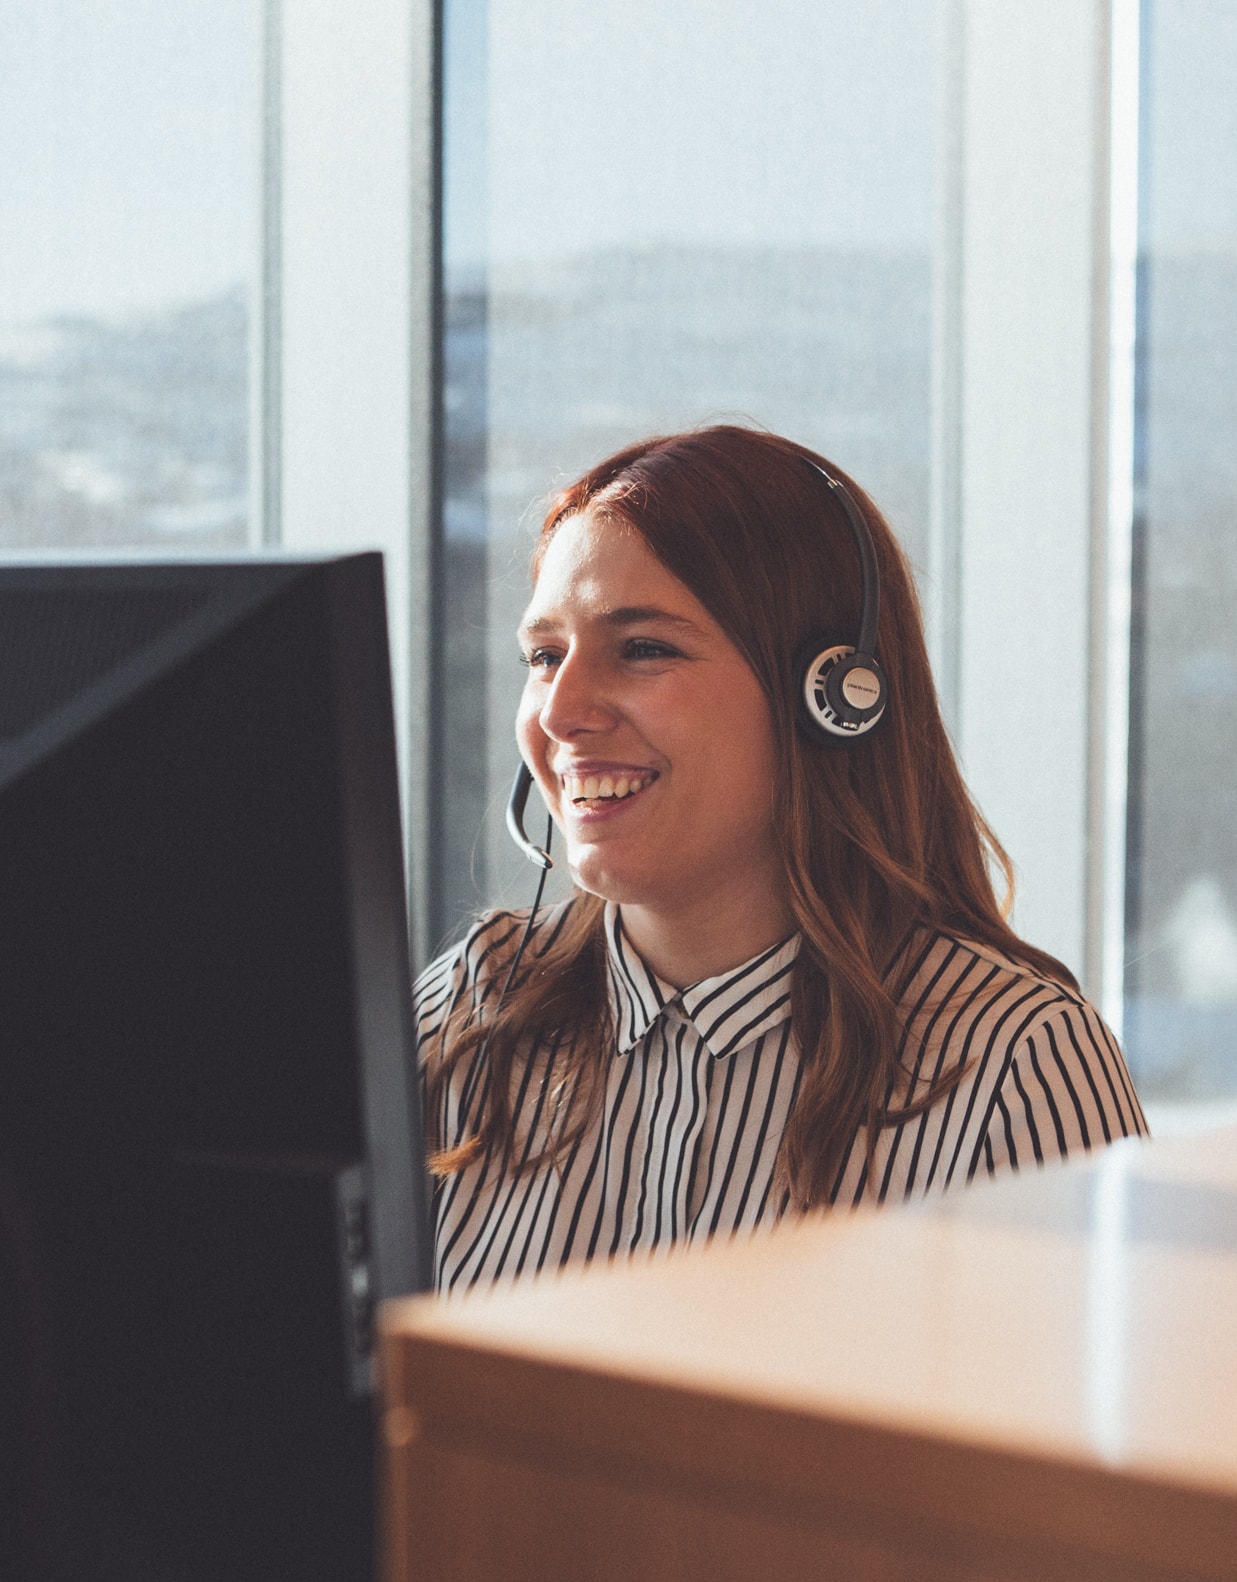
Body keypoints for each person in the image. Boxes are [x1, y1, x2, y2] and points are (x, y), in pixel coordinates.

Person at [416, 425, 1144, 1293]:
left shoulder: (1015, 1062)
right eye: (545, 656)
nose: (560, 712)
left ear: (832, 699)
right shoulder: (471, 1011)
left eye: (643, 649)